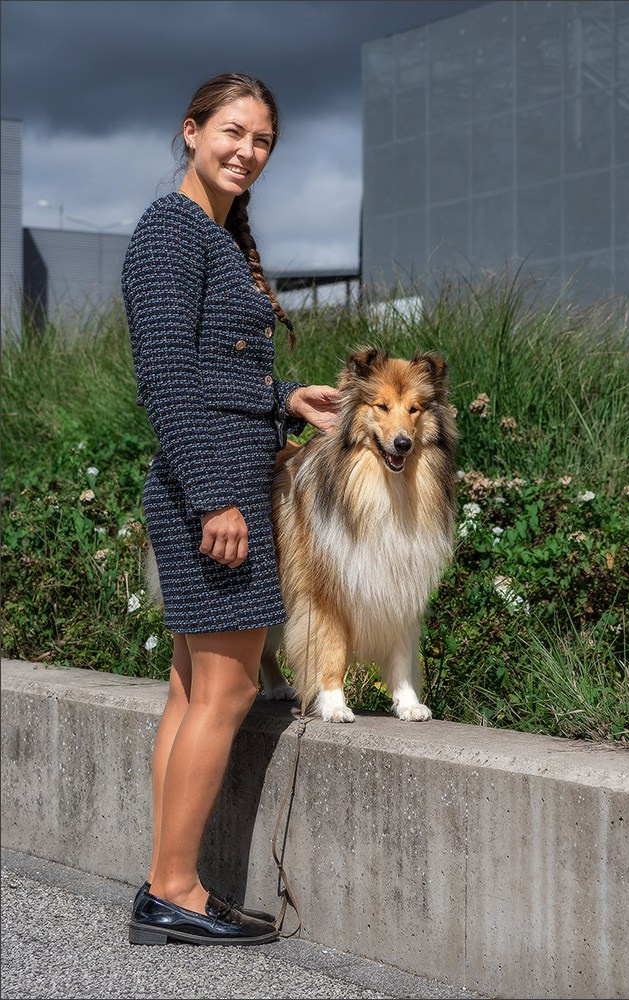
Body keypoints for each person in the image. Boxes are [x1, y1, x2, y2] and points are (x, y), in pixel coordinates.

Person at [121, 72, 340, 946]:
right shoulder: (171, 231)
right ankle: (175, 891)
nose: (246, 151)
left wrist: (285, 398)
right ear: (191, 130)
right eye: (233, 132)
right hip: (213, 492)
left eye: (262, 142)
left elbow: (213, 371)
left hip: (220, 480)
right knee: (229, 686)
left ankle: (164, 885)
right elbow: (166, 378)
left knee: (189, 689)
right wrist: (216, 493)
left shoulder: (206, 233)